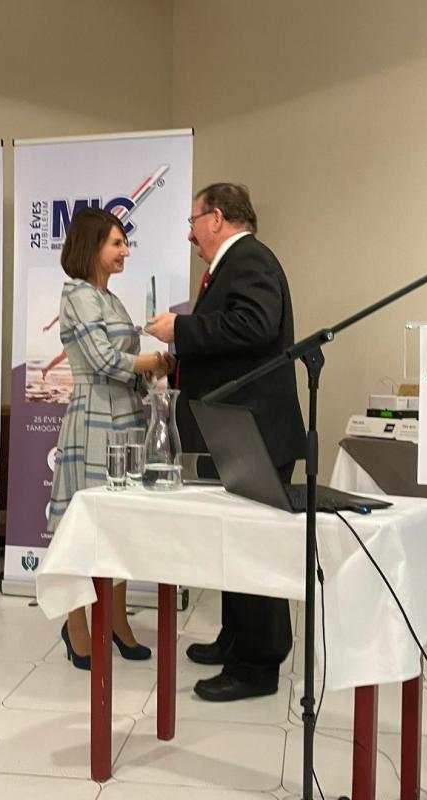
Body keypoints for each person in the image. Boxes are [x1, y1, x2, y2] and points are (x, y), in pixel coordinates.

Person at [147, 183, 307, 702]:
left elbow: (254, 326)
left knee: (252, 546)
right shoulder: (235, 264)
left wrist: (181, 328)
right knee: (234, 541)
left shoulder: (249, 259)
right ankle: (236, 638)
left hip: (253, 432)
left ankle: (257, 664)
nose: (190, 234)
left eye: (193, 221)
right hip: (237, 430)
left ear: (216, 218)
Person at [48, 207, 172, 670]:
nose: (125, 251)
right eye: (116, 243)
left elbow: (127, 366)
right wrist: (151, 362)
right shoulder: (77, 296)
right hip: (94, 418)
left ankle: (116, 619)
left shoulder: (113, 300)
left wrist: (150, 373)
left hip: (126, 417)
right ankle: (76, 624)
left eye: (125, 243)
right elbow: (102, 360)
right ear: (92, 246)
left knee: (118, 526)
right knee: (85, 527)